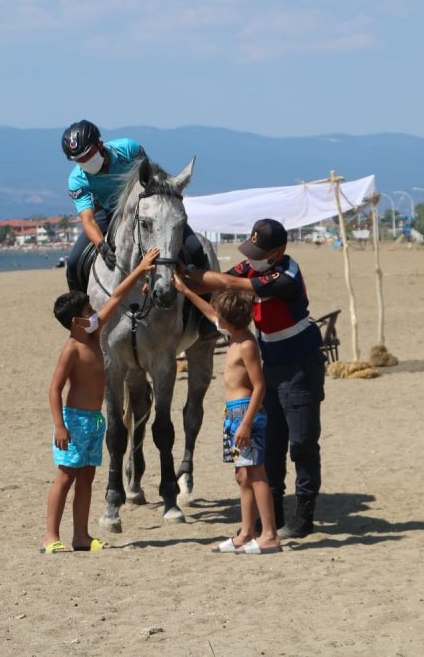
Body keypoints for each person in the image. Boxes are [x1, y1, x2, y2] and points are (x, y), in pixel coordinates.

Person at [182, 219, 326, 539]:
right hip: (272, 364)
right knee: (271, 446)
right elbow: (216, 282)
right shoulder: (254, 266)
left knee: (302, 443)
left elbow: (232, 285)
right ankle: (268, 516)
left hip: (301, 364)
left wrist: (192, 277)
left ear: (278, 252)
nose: (252, 258)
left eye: (259, 252)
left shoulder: (287, 275)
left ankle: (304, 515)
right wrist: (180, 278)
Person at [42, 247, 161, 554]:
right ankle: (50, 536)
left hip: (95, 421)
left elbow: (118, 296)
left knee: (87, 478)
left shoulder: (94, 335)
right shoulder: (71, 349)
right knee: (66, 477)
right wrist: (59, 426)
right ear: (75, 322)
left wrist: (141, 269)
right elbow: (54, 389)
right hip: (75, 421)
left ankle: (80, 536)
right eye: (87, 312)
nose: (94, 313)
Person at [173, 278, 281, 554]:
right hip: (232, 414)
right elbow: (210, 314)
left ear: (229, 319)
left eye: (220, 315)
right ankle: (246, 532)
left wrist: (246, 423)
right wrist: (185, 290)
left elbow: (259, 386)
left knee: (256, 474)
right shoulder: (233, 334)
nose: (216, 318)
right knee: (242, 476)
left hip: (246, 413)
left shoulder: (246, 344)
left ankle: (269, 534)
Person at [61, 119, 207, 293]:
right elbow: (88, 220)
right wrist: (102, 246)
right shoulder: (76, 179)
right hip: (109, 212)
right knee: (73, 262)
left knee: (195, 247)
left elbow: (153, 180)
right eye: (79, 159)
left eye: (88, 154)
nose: (85, 161)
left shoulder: (129, 149)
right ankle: (80, 309)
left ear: (99, 144)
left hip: (146, 208)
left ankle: (207, 300)